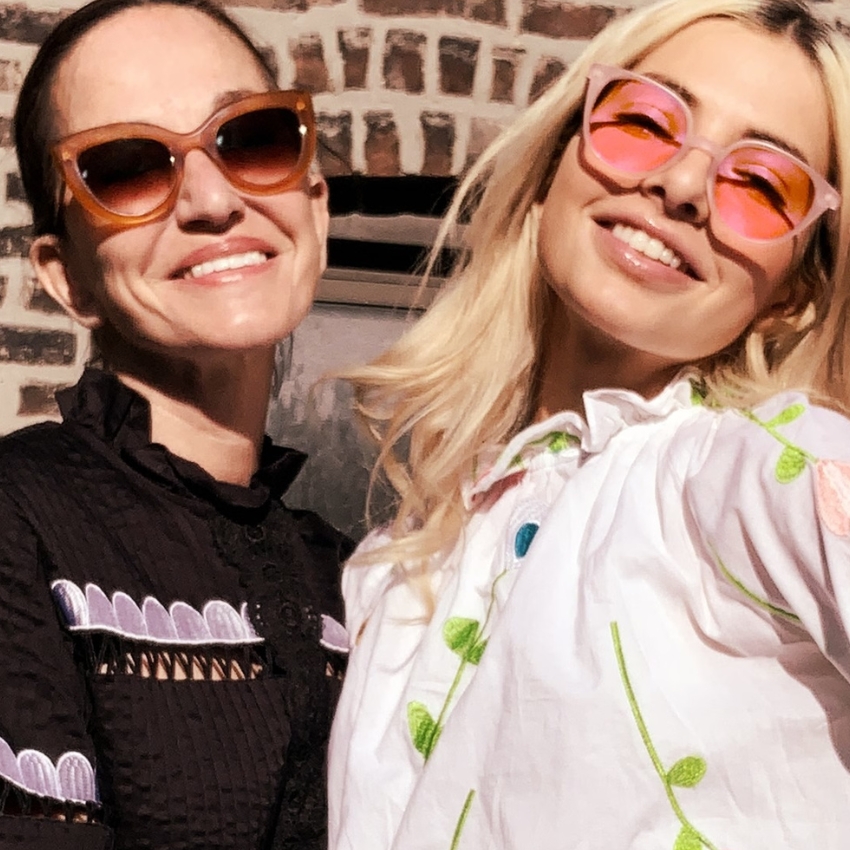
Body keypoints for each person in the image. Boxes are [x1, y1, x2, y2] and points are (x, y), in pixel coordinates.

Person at [328, 0, 850, 847]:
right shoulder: (401, 566)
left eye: (761, 184)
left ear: (793, 290)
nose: (681, 187)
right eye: (645, 121)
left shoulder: (774, 473)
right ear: (556, 162)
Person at [0, 0, 352, 847]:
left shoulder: (360, 582)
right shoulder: (18, 520)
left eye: (254, 140)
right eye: (126, 167)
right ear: (66, 277)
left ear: (315, 204)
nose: (210, 199)